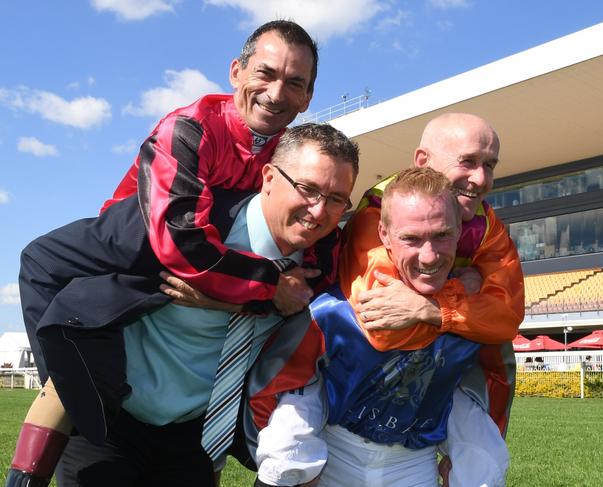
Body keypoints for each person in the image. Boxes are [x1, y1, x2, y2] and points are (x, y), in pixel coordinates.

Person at [6, 20, 329, 487]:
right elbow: (180, 246)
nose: (277, 93)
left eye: (294, 83)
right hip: (138, 236)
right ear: (236, 71)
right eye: (266, 73)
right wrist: (266, 288)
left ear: (308, 98)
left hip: (200, 240)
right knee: (43, 264)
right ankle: (61, 409)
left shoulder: (291, 153)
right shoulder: (188, 126)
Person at [242, 168, 508, 486]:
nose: (429, 256)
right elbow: (278, 386)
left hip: (413, 463)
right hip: (334, 457)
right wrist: (284, 462)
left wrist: (470, 460)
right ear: (383, 234)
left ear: (458, 231)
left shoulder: (475, 316)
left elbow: (491, 386)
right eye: (411, 238)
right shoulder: (333, 312)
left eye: (442, 235)